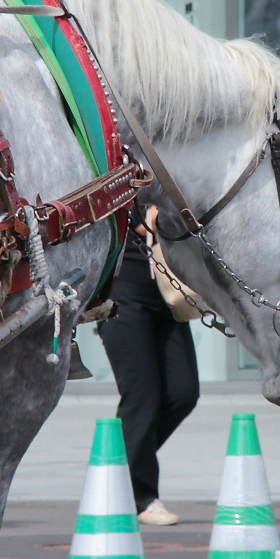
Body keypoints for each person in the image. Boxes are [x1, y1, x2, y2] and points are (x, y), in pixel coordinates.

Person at [97, 208, 200, 526]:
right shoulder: (120, 163)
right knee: (142, 397)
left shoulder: (174, 166)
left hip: (167, 294)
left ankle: (115, 473)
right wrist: (147, 222)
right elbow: (124, 221)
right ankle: (141, 496)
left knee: (183, 393)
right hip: (122, 295)